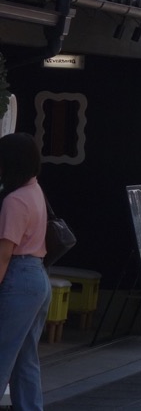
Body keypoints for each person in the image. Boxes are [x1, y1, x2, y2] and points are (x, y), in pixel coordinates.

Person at [0, 133, 50, 411]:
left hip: (19, 279)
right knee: (25, 359)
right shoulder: (34, 190)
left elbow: (4, 254)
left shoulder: (15, 200)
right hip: (38, 276)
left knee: (3, 354)